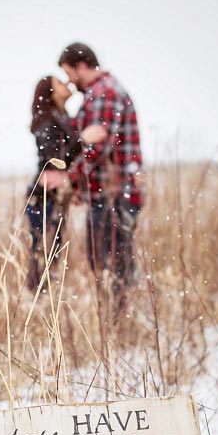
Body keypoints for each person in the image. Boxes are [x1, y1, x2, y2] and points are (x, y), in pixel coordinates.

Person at [45, 42, 144, 301]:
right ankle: (118, 322)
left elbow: (97, 150)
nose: (69, 80)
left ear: (81, 66)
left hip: (112, 194)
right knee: (109, 264)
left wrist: (69, 179)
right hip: (110, 195)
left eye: (69, 72)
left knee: (111, 266)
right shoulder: (100, 93)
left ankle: (119, 327)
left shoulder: (104, 94)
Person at [26, 75, 106, 290]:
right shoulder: (46, 120)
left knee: (53, 249)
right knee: (44, 251)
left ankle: (41, 297)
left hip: (54, 194)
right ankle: (35, 297)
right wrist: (83, 140)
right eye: (60, 83)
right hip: (43, 195)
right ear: (50, 92)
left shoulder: (61, 117)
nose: (67, 84)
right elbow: (56, 159)